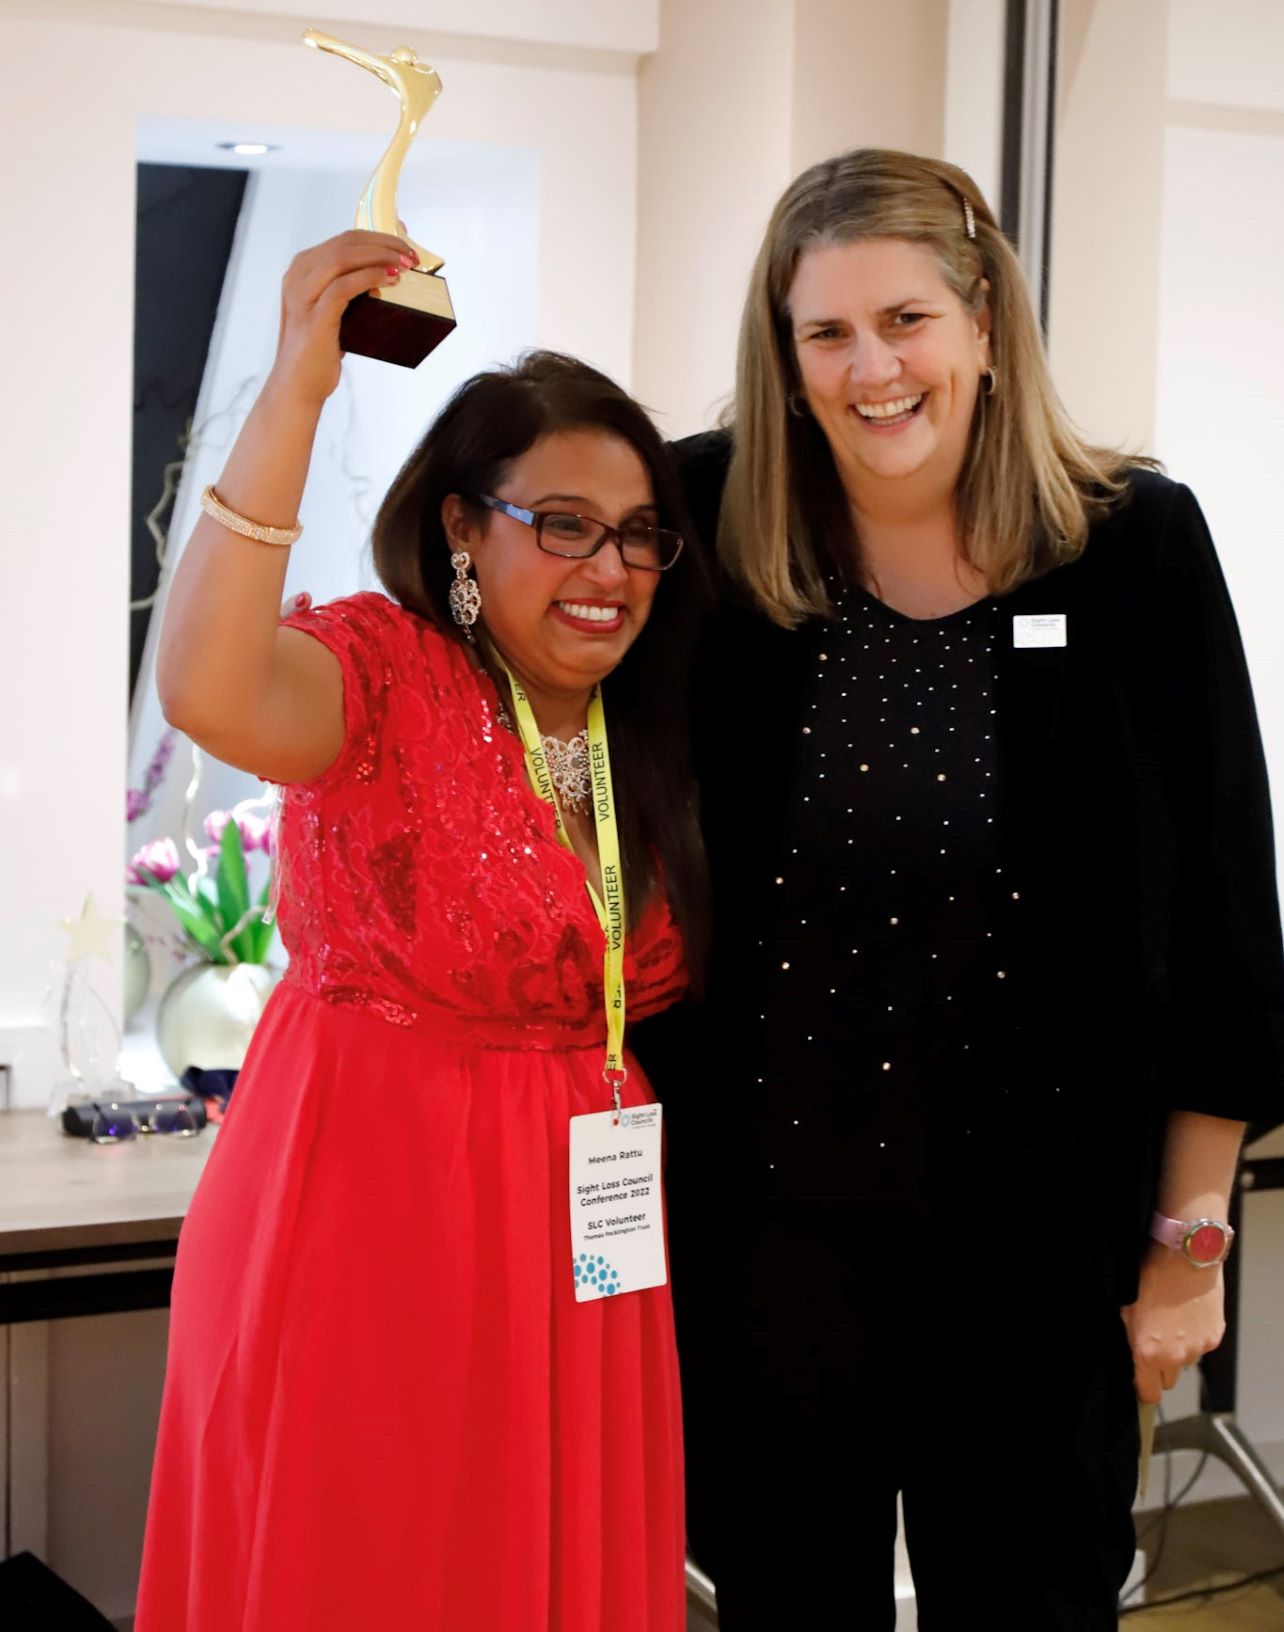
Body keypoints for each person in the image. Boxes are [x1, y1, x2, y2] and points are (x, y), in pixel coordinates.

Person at [637, 149, 1284, 1629]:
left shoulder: (1134, 547)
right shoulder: (702, 521)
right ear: (783, 352)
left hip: (1038, 1248)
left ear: (985, 320)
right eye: (827, 333)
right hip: (768, 1246)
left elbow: (1224, 924)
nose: (873, 369)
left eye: (908, 319)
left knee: (1036, 1603)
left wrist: (1190, 1247)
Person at [134, 229, 707, 1632]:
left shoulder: (644, 729)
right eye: (561, 521)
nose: (608, 566)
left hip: (581, 1254)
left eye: (638, 534)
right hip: (372, 1232)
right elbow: (208, 688)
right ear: (462, 524)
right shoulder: (383, 674)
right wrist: (295, 392)